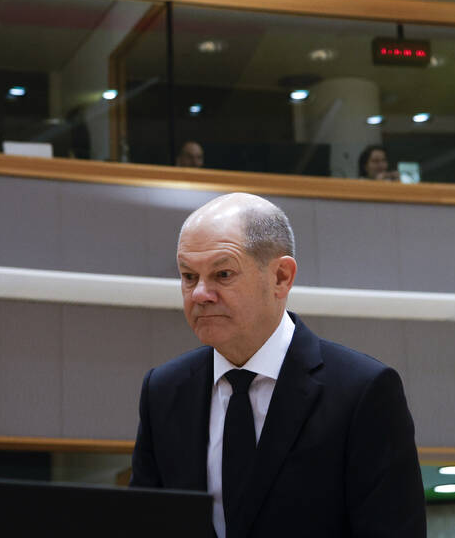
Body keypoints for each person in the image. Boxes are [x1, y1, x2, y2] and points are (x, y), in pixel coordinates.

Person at [131, 193, 425, 538]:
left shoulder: (363, 391)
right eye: (188, 276)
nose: (199, 294)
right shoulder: (163, 391)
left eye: (222, 274)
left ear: (281, 277)